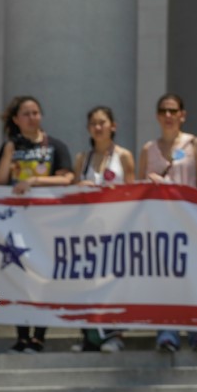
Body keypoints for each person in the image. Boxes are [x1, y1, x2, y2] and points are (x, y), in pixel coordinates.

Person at [0, 96, 74, 353]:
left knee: (43, 276)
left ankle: (39, 335)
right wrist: (7, 154)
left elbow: (67, 178)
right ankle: (22, 334)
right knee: (18, 275)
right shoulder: (10, 147)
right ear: (16, 120)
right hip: (17, 223)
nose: (32, 118)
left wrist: (35, 183)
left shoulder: (56, 146)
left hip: (47, 223)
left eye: (36, 112)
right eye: (26, 114)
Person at [138, 93, 197, 352]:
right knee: (165, 280)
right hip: (160, 224)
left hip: (190, 221)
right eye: (163, 111)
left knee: (194, 278)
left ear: (183, 114)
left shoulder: (195, 145)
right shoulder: (148, 149)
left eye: (173, 111)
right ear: (157, 116)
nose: (168, 116)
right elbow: (139, 191)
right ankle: (167, 333)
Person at [73, 106, 135, 352]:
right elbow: (72, 195)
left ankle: (114, 335)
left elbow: (134, 194)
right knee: (88, 282)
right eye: (94, 123)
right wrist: (81, 186)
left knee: (113, 284)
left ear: (113, 126)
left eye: (103, 122)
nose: (98, 127)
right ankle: (90, 337)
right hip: (88, 231)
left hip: (117, 229)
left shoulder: (124, 156)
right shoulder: (82, 158)